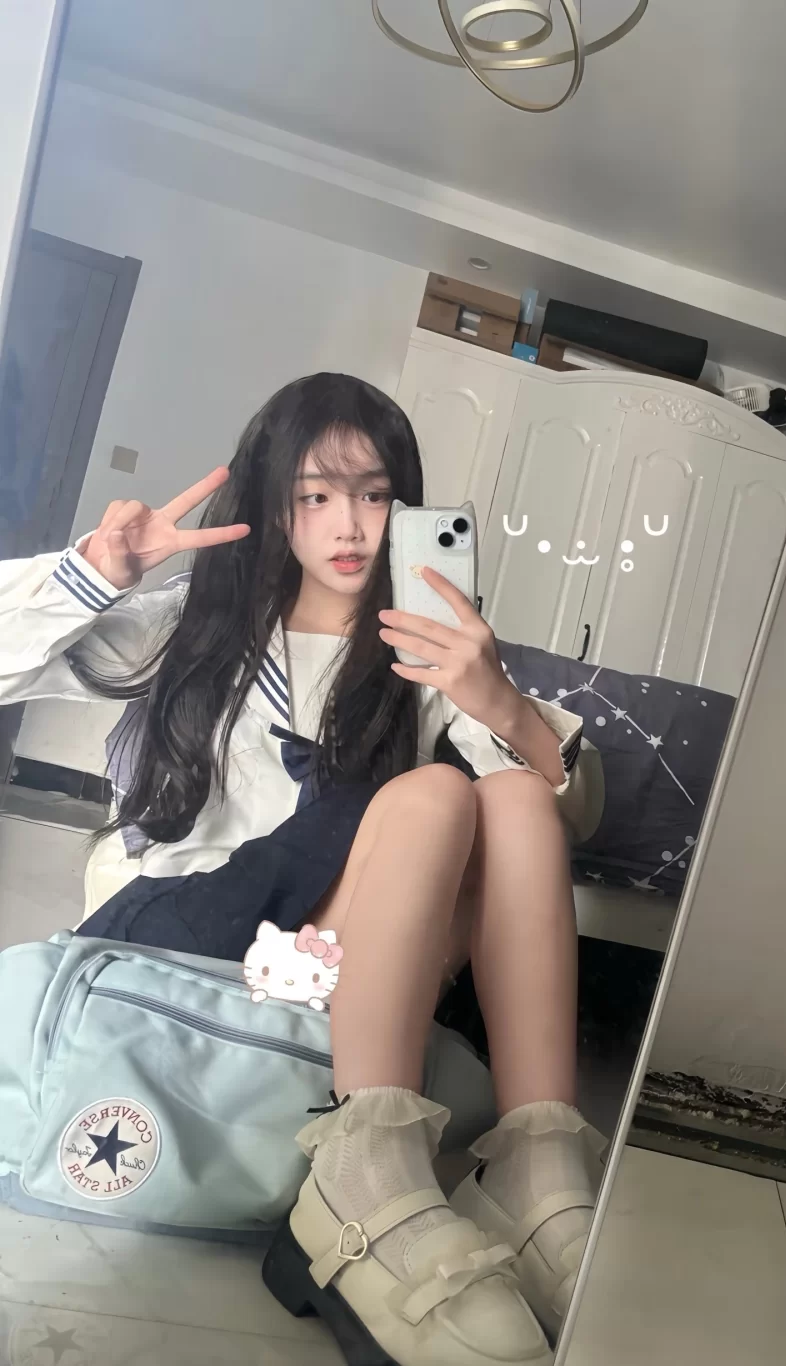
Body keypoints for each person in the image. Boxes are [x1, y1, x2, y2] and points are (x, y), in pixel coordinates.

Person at [0, 373, 605, 1366]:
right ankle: (363, 1171)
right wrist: (92, 574)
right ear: (274, 505)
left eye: (373, 494)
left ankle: (539, 1169)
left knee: (512, 797)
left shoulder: (422, 650)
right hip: (183, 938)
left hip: (318, 963)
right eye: (315, 495)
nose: (349, 525)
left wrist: (497, 700)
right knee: (438, 796)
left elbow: (563, 813)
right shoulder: (194, 623)